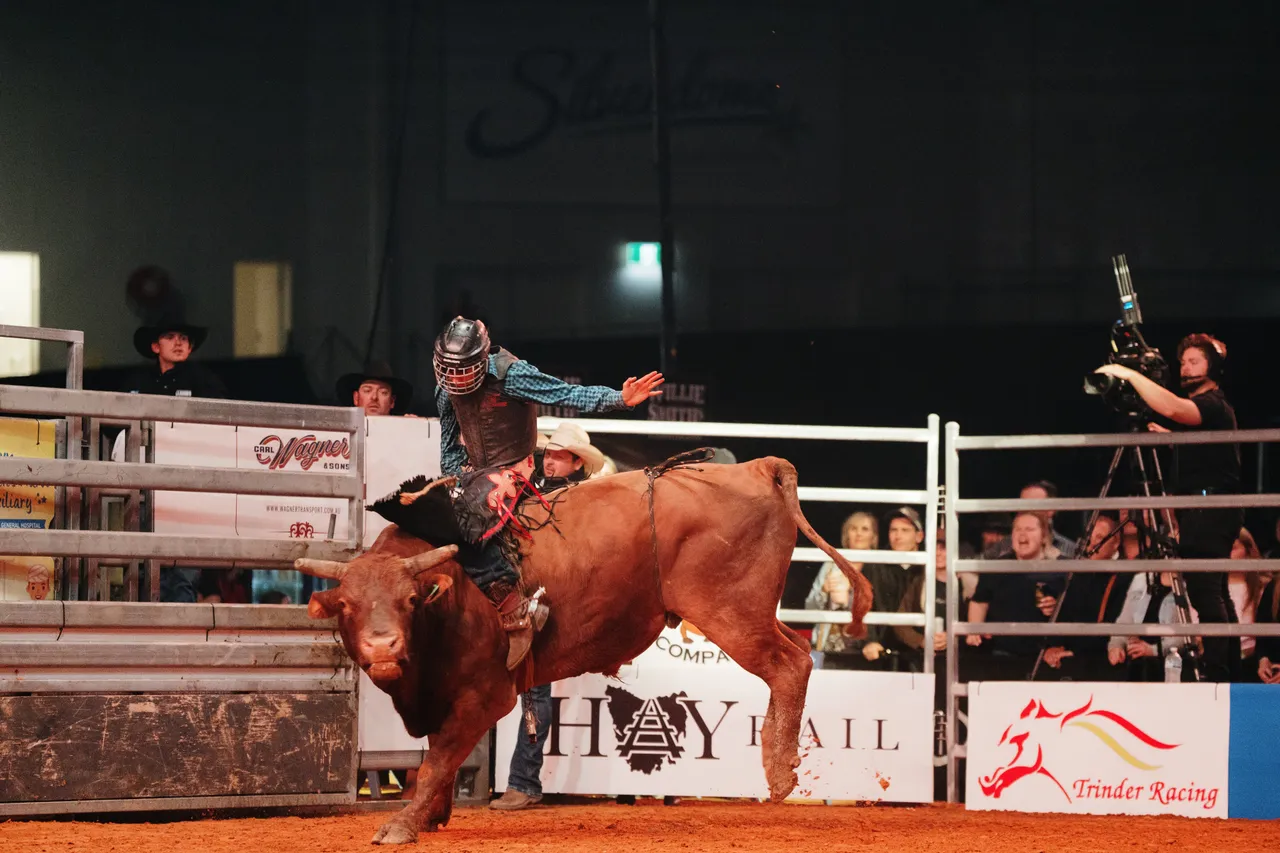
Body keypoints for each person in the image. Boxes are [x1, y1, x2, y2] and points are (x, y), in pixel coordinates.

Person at [388, 317, 663, 671]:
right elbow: (449, 443)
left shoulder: (512, 375)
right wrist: (455, 479)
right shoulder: (446, 389)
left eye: (462, 369)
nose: (455, 378)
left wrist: (619, 399)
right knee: (426, 515)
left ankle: (512, 606)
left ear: (481, 361)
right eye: (449, 370)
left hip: (514, 468)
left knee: (468, 524)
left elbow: (565, 393)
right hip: (475, 471)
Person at [1094, 332, 1242, 682]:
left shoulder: (1213, 403)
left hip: (1211, 507)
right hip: (1202, 506)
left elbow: (1176, 407)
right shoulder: (1207, 410)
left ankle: (1218, 676)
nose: (1186, 368)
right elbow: (1207, 452)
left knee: (1207, 594)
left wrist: (1130, 375)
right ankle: (1226, 671)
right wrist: (1173, 442)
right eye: (1183, 362)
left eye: (1195, 361)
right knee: (1214, 592)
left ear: (1213, 367)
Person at [490, 423, 604, 812]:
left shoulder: (580, 500)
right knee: (526, 687)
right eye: (549, 454)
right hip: (520, 594)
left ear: (576, 463)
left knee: (534, 687)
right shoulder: (531, 489)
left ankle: (523, 781)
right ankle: (518, 780)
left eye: (559, 456)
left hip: (547, 601)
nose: (551, 461)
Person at [124, 311, 227, 602]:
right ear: (156, 346)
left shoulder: (206, 381)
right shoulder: (138, 380)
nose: (179, 343)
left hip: (188, 484)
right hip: (144, 481)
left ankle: (181, 627)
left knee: (183, 566)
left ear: (191, 348)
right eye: (170, 337)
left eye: (184, 339)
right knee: (142, 560)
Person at [336, 361, 414, 417]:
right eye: (367, 390)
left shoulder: (401, 431)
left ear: (392, 401)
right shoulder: (342, 434)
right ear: (356, 398)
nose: (374, 397)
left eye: (383, 392)